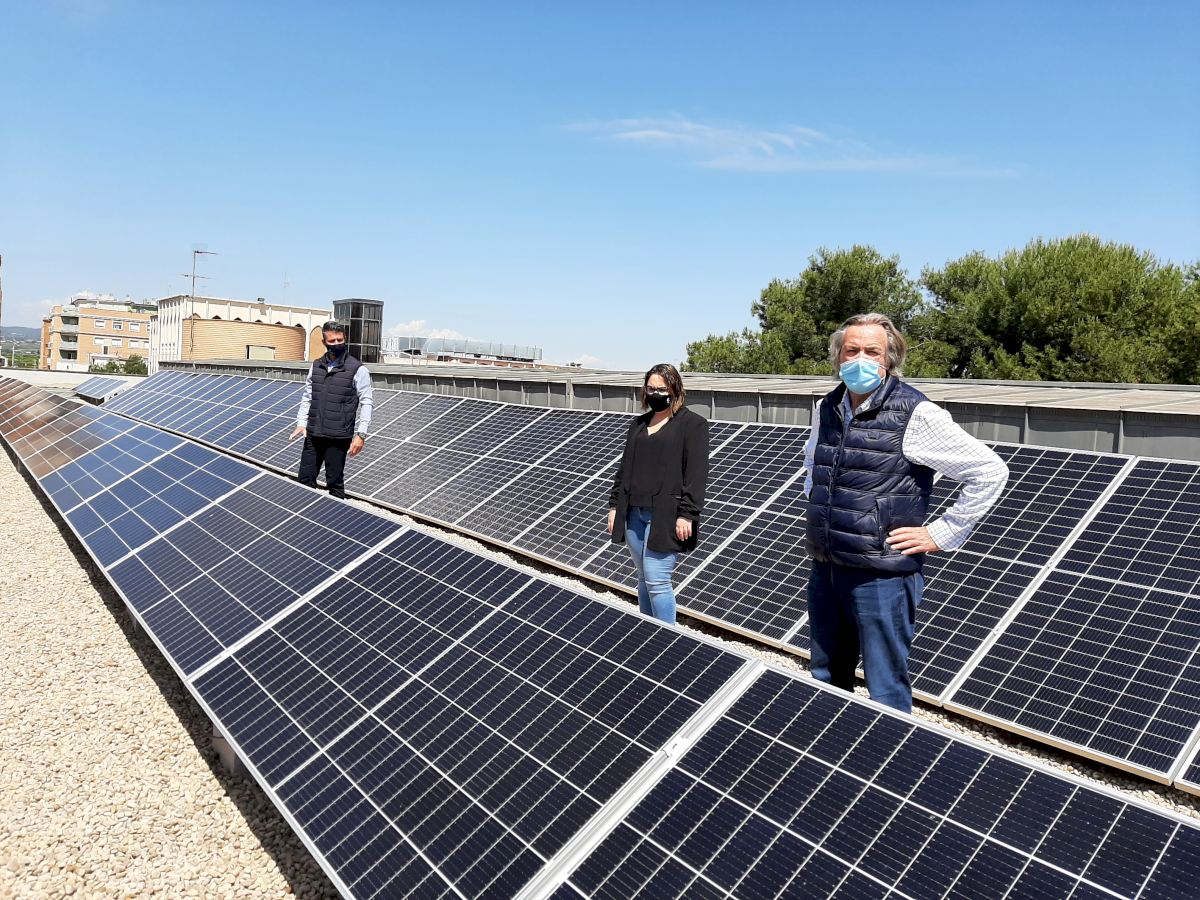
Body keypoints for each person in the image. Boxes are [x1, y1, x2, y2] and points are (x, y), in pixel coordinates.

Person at [802, 312, 1009, 713]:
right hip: (827, 567)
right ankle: (830, 744)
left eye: (872, 352)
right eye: (851, 350)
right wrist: (820, 509)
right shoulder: (826, 407)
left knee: (885, 687)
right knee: (825, 677)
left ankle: (887, 752)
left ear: (889, 359)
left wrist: (941, 533)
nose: (860, 359)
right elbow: (813, 461)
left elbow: (989, 470)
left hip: (881, 576)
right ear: (838, 357)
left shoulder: (914, 412)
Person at [607, 363, 709, 625]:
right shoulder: (639, 424)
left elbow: (696, 473)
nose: (655, 394)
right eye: (651, 389)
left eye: (661, 389)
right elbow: (624, 469)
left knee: (657, 579)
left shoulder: (692, 425)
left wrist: (688, 514)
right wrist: (615, 506)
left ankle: (667, 637)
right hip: (634, 513)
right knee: (643, 578)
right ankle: (648, 633)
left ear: (675, 390)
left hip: (665, 515)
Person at [290, 321, 373, 499]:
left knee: (334, 483)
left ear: (345, 339)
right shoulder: (316, 366)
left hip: (338, 436)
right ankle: (305, 514)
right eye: (332, 341)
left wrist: (361, 434)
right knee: (304, 480)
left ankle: (336, 515)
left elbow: (367, 402)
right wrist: (301, 423)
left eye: (340, 340)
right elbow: (307, 396)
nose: (336, 344)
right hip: (314, 434)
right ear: (324, 342)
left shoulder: (357, 369)